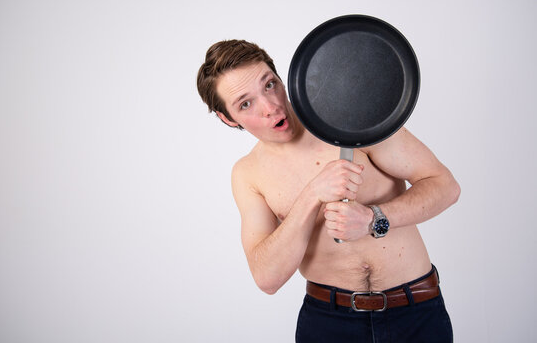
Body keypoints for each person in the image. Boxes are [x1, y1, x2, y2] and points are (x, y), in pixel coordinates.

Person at [197, 39, 460, 342]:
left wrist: (374, 218)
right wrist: (313, 193)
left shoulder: (352, 117)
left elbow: (445, 186)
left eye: (269, 85)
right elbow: (267, 277)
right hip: (328, 322)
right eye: (246, 103)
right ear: (228, 118)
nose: (271, 107)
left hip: (414, 309)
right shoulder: (248, 174)